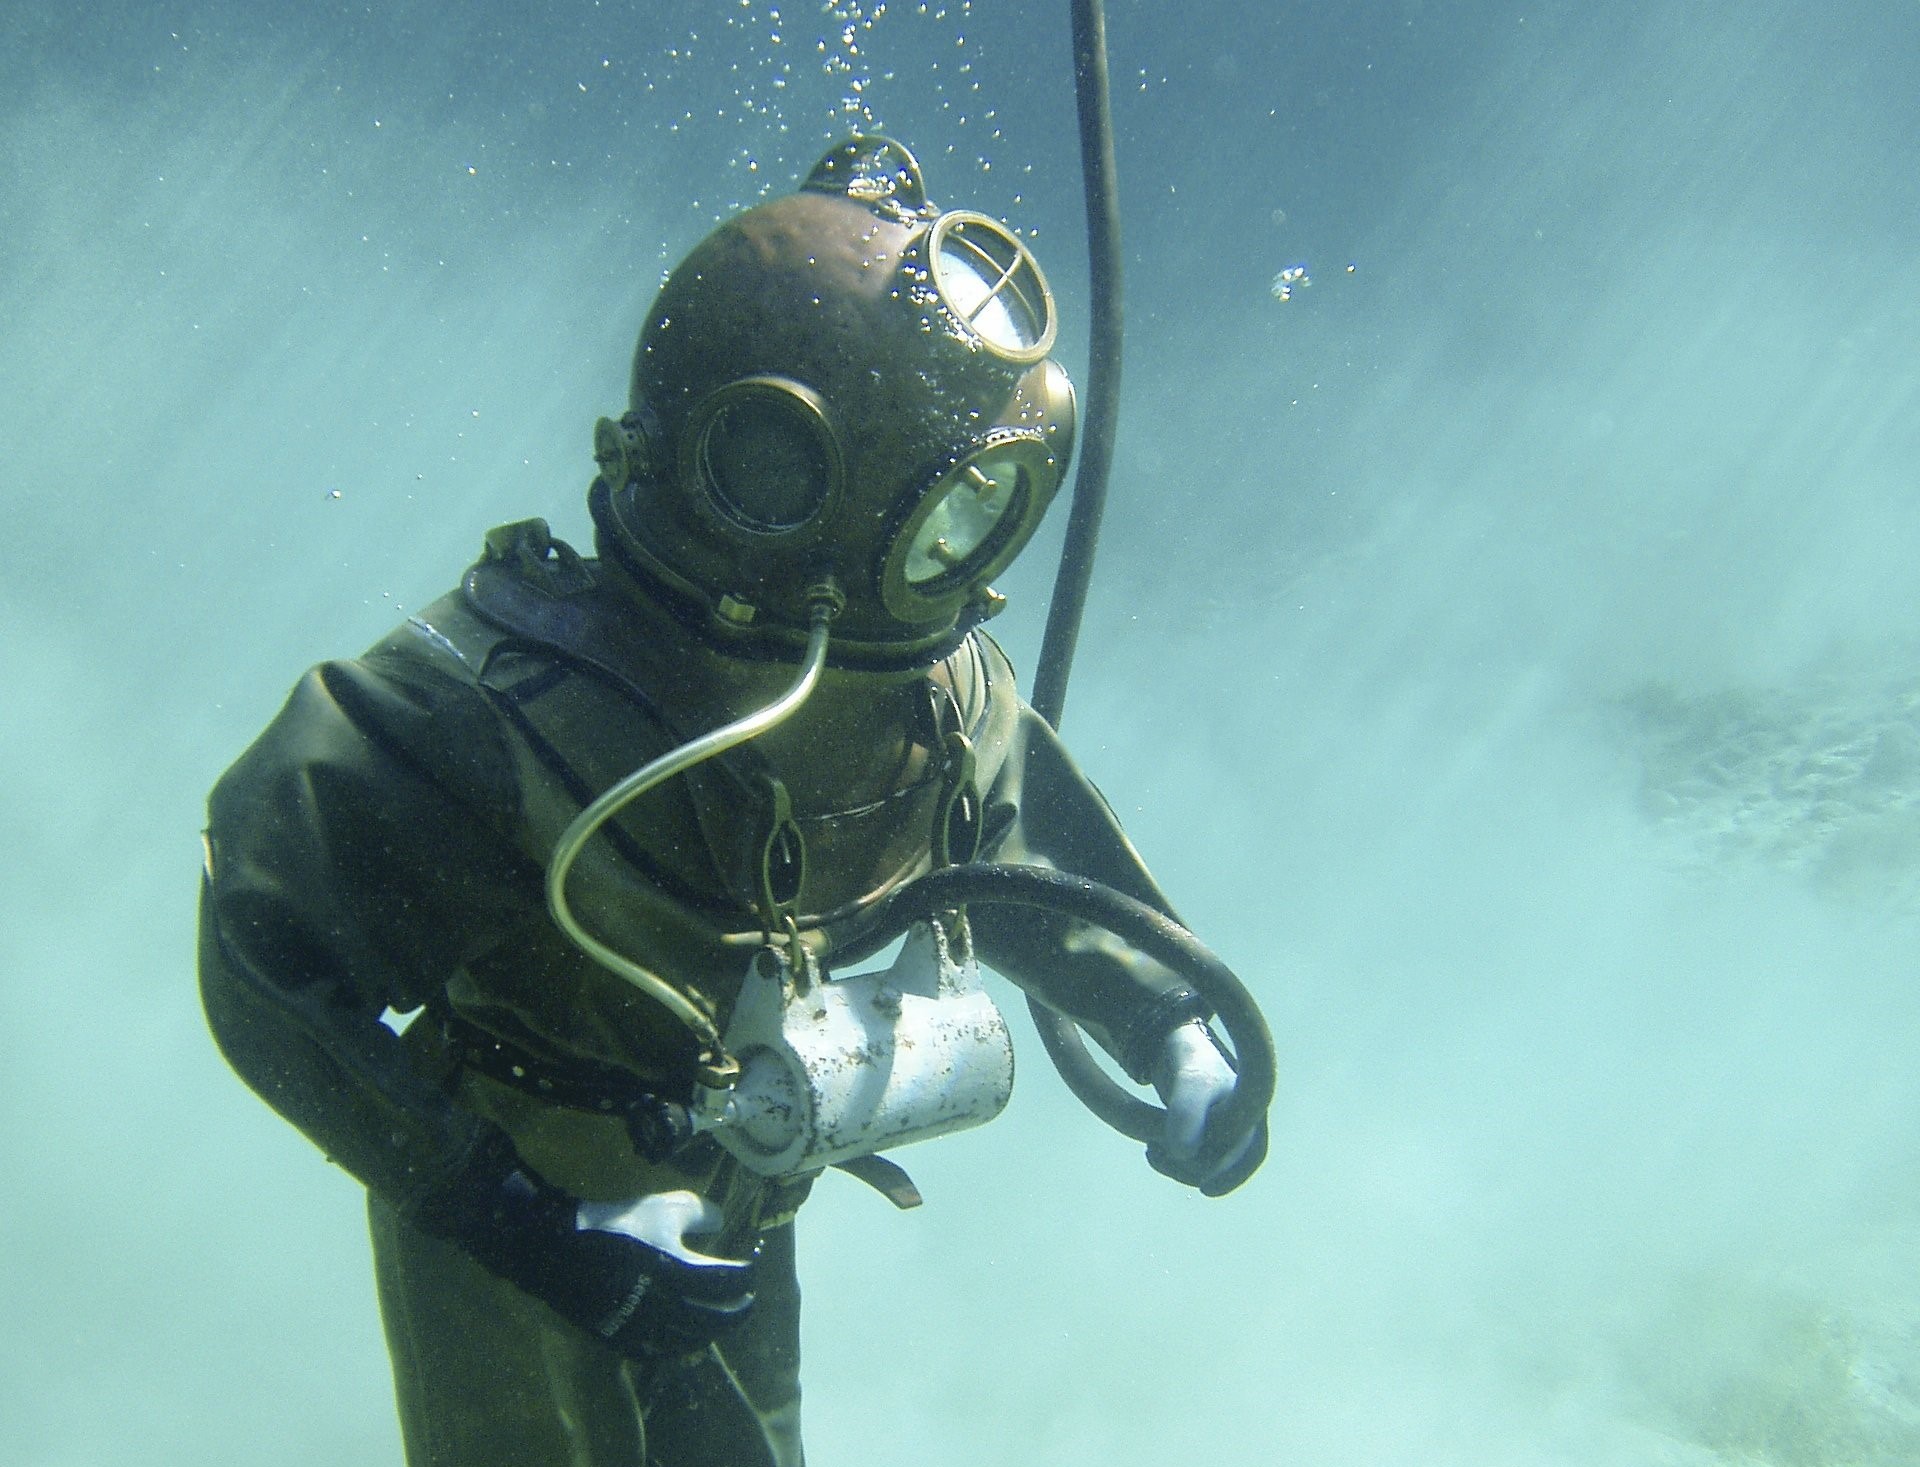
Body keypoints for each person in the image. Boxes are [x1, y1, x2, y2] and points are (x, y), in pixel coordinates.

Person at [198, 136, 1266, 1467]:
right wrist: (521, 1219)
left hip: (743, 1176)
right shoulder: (492, 712)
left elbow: (1016, 858)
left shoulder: (940, 695)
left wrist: (1172, 1027)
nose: (946, 559)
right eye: (941, 516)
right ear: (761, 470)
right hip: (520, 1174)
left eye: (972, 515)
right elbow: (265, 954)